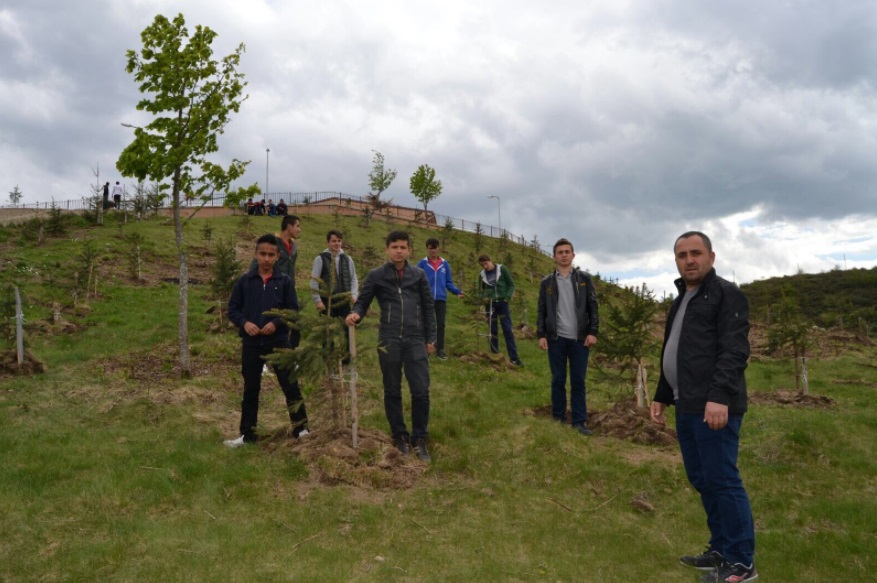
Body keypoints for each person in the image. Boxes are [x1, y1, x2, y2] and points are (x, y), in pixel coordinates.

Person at [650, 231, 757, 583]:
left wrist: (720, 397)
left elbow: (735, 351)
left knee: (723, 479)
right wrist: (662, 394)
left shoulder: (726, 294)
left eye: (696, 253)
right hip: (686, 403)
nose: (689, 260)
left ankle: (741, 562)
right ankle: (720, 550)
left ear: (711, 256)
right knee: (703, 478)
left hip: (713, 406)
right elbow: (675, 349)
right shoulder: (682, 298)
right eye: (682, 255)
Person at [345, 231, 436, 462]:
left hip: (415, 339)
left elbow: (428, 308)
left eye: (403, 247)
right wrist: (356, 314)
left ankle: (419, 438)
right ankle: (400, 436)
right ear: (387, 249)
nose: (399, 251)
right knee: (392, 389)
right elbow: (363, 301)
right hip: (389, 339)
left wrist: (431, 339)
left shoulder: (419, 275)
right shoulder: (377, 276)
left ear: (409, 250)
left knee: (420, 391)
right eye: (394, 246)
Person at [225, 234, 310, 447]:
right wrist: (245, 323)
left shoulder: (285, 282)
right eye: (262, 254)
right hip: (252, 343)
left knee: (290, 385)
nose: (266, 258)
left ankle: (301, 429)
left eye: (271, 255)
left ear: (277, 257)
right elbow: (233, 309)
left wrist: (276, 323)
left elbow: (292, 310)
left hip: (279, 341)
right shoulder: (245, 281)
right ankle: (248, 435)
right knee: (251, 389)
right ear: (255, 254)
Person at [537, 238, 599, 435]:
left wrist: (593, 332)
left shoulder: (584, 279)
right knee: (558, 380)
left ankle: (580, 422)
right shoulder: (546, 282)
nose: (564, 255)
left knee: (578, 381)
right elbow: (541, 310)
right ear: (554, 257)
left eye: (567, 251)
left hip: (580, 339)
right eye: (560, 252)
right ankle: (558, 419)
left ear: (573, 255)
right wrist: (541, 335)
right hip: (556, 338)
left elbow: (593, 307)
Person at [311, 230, 359, 354]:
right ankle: (328, 357)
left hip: (344, 300)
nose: (337, 244)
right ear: (328, 242)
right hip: (327, 301)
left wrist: (354, 295)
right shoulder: (320, 259)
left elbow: (354, 279)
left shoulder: (347, 259)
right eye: (334, 241)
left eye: (339, 241)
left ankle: (347, 358)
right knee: (327, 331)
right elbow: (314, 281)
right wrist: (317, 300)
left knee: (346, 329)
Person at [416, 238, 464, 360]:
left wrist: (457, 291)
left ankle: (440, 349)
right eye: (430, 248)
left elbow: (449, 282)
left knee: (441, 324)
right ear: (427, 249)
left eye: (435, 247)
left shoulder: (445, 264)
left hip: (441, 299)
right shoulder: (422, 264)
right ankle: (425, 349)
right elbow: (416, 280)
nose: (433, 250)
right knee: (426, 323)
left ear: (438, 248)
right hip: (426, 299)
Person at [477, 254, 522, 366]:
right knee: (492, 331)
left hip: (503, 303)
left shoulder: (502, 269)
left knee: (507, 330)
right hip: (490, 304)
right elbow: (480, 290)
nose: (485, 266)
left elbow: (511, 284)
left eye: (486, 263)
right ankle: (495, 356)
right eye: (482, 265)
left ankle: (514, 358)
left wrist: (506, 298)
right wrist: (484, 299)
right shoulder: (482, 274)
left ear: (490, 260)